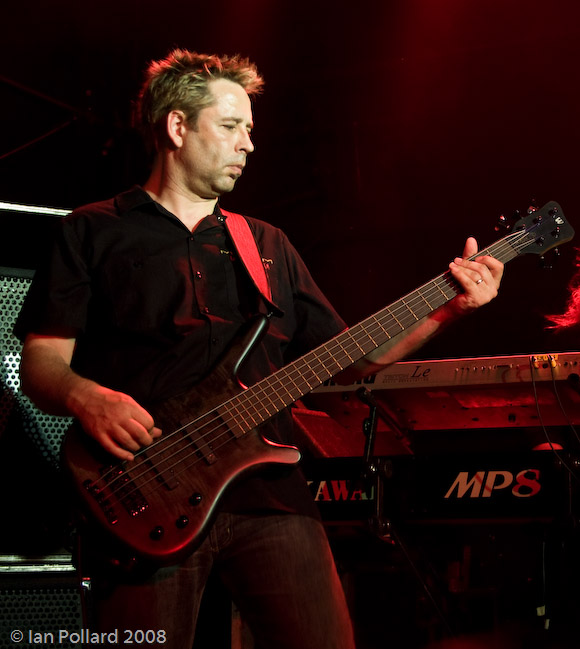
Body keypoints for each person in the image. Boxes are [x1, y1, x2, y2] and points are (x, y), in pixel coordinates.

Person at [15, 49, 504, 649]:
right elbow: (42, 364)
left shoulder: (266, 244)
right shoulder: (90, 230)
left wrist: (450, 308)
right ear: (177, 127)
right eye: (230, 126)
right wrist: (87, 398)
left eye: (249, 129)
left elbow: (353, 358)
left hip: (270, 496)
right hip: (143, 494)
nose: (248, 144)